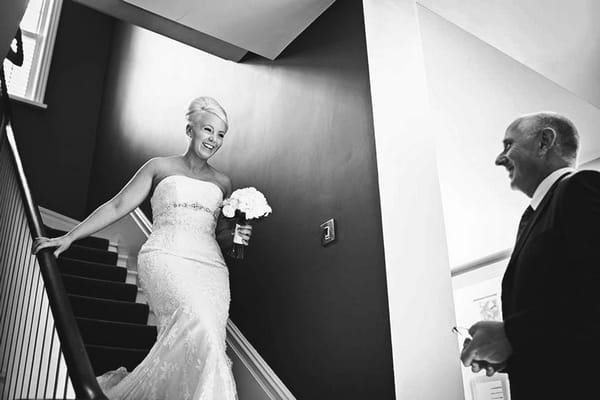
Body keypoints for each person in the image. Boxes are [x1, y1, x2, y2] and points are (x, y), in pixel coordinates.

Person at [33, 96, 252, 399]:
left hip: (210, 269)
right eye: (208, 130)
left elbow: (226, 239)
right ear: (190, 130)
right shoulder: (159, 167)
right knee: (197, 323)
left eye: (221, 134)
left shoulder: (223, 182)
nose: (214, 140)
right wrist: (71, 236)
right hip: (166, 258)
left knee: (208, 339)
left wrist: (241, 236)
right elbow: (118, 205)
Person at [459, 112, 600, 399]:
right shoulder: (535, 215)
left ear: (544, 141)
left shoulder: (581, 188)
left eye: (508, 145)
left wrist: (512, 334)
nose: (500, 159)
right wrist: (510, 353)